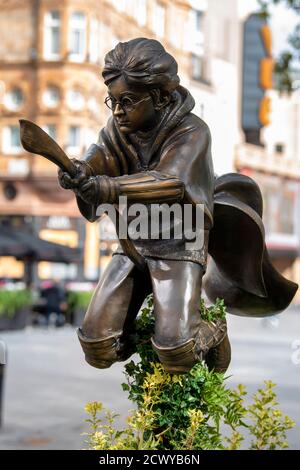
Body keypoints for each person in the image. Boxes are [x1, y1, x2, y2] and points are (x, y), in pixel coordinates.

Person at [58, 38, 297, 374]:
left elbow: (170, 182)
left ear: (160, 97)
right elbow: (100, 153)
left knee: (176, 351)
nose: (117, 111)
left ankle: (206, 333)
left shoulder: (192, 131)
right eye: (112, 101)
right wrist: (82, 169)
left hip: (179, 243)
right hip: (133, 240)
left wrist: (108, 187)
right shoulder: (119, 128)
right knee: (98, 346)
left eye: (127, 101)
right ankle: (167, 328)